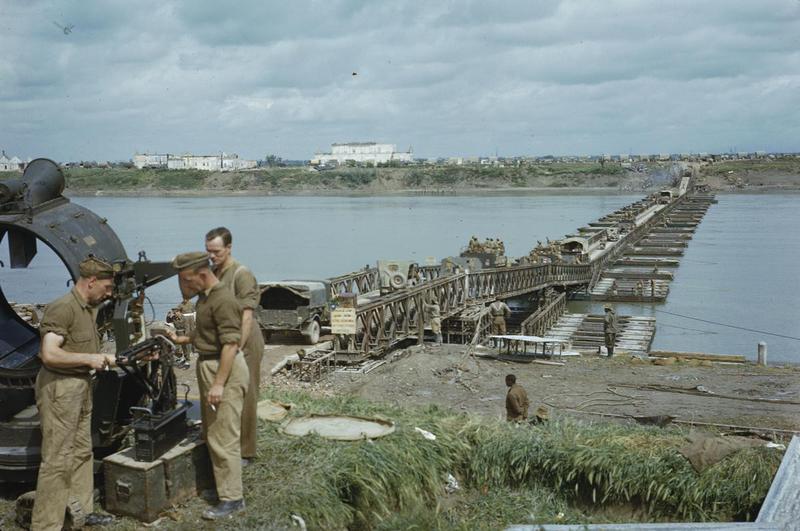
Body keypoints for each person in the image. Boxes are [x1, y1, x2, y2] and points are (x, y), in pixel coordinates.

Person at [31, 256, 117, 530]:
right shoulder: (63, 308)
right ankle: (47, 525)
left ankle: (81, 512)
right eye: (106, 287)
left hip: (80, 387)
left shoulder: (88, 308)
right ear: (91, 282)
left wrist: (106, 359)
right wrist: (89, 359)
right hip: (60, 389)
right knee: (57, 460)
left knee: (82, 451)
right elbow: (49, 354)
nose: (109, 292)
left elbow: (80, 350)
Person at [167, 252, 249, 520]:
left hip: (222, 367)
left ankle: (232, 498)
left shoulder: (223, 299)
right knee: (214, 431)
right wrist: (180, 340)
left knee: (223, 434)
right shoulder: (206, 298)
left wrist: (218, 383)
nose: (183, 287)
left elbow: (230, 344)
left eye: (185, 280)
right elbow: (207, 333)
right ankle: (224, 487)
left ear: (201, 275)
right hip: (210, 363)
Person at [205, 227, 265, 467]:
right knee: (228, 392)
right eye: (208, 251)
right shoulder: (214, 272)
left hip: (245, 339)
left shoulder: (241, 274)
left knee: (246, 392)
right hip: (226, 338)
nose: (211, 256)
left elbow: (246, 317)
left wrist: (237, 350)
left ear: (229, 248)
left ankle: (246, 452)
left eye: (216, 252)